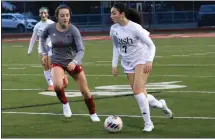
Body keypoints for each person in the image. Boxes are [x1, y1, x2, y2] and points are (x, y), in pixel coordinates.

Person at [110, 2, 173, 132]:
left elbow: (152, 46)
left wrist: (149, 61)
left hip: (141, 60)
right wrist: (114, 64)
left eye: (114, 13)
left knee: (138, 89)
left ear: (122, 14)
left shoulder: (135, 28)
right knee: (140, 93)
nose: (111, 15)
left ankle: (148, 123)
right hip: (127, 63)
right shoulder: (114, 29)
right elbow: (116, 47)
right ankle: (161, 105)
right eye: (111, 13)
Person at [40, 5, 100, 122]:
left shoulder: (73, 30)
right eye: (62, 15)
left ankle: (92, 113)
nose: (65, 18)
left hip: (73, 62)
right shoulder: (50, 28)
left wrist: (74, 61)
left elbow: (81, 50)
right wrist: (44, 54)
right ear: (57, 17)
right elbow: (42, 38)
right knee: (57, 86)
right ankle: (65, 103)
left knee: (85, 92)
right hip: (57, 60)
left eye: (67, 15)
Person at [27, 7, 56, 91]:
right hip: (41, 48)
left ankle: (61, 78)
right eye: (41, 13)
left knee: (51, 66)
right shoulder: (37, 25)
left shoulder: (52, 24)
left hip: (51, 47)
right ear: (39, 14)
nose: (43, 15)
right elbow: (33, 38)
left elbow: (56, 36)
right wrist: (30, 50)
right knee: (45, 66)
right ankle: (51, 84)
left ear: (47, 14)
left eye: (45, 13)